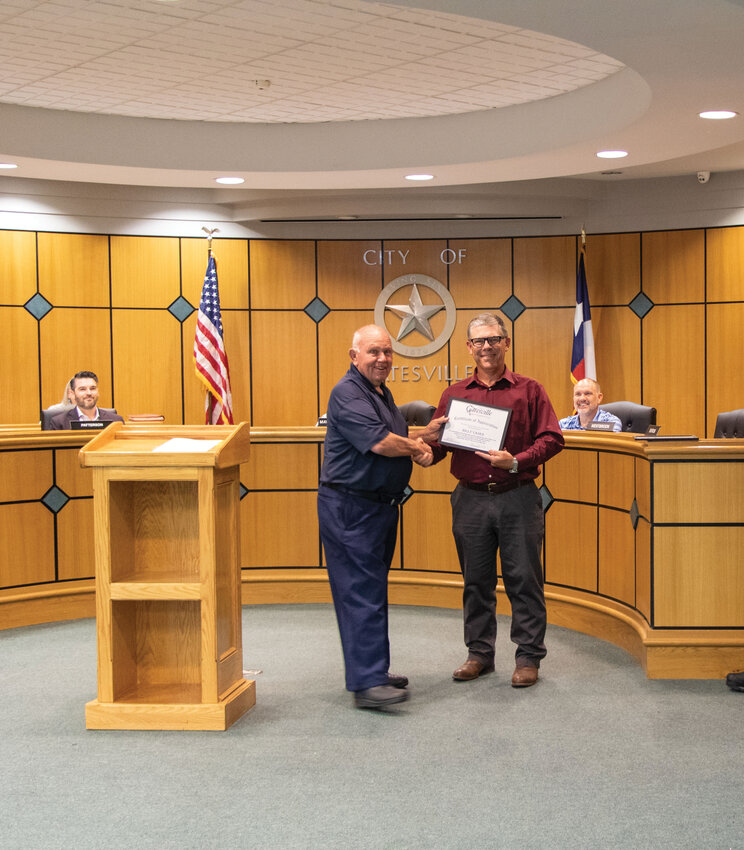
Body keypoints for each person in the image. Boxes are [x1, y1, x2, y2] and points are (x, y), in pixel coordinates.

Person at [430, 313, 564, 688]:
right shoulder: (454, 395)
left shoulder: (530, 390)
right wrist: (425, 451)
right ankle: (479, 655)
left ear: (506, 343)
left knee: (524, 579)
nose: (486, 347)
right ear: (469, 348)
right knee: (476, 581)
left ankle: (528, 657)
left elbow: (552, 438)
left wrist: (516, 461)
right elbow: (441, 444)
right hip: (469, 500)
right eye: (479, 341)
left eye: (494, 339)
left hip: (517, 497)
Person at [318, 325, 444, 710]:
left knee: (370, 591)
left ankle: (372, 669)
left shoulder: (378, 391)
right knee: (360, 593)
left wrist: (428, 434)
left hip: (375, 508)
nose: (383, 359)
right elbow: (381, 442)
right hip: (351, 509)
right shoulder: (346, 392)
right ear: (354, 356)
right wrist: (418, 447)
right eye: (374, 352)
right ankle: (367, 683)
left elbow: (395, 432)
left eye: (388, 352)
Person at [49, 371, 124, 429]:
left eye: (93, 388)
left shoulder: (116, 421)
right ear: (73, 393)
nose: (89, 393)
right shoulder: (59, 422)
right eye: (82, 389)